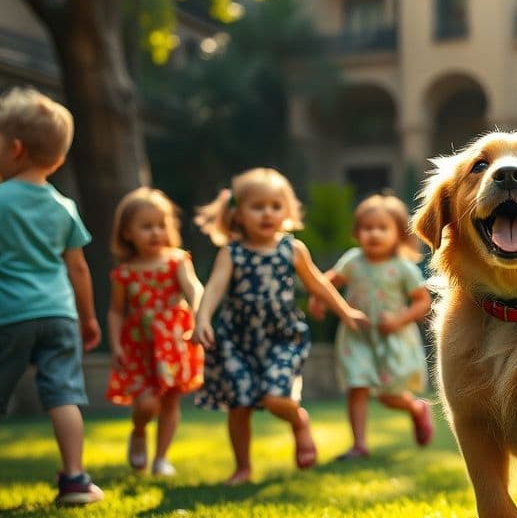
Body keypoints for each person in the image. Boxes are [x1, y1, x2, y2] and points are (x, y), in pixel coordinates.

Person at [192, 168, 369, 484]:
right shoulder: (231, 252)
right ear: (238, 213)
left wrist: (344, 311)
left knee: (276, 398)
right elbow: (214, 287)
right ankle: (243, 468)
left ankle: (298, 421)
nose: (267, 213)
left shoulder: (292, 249)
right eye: (257, 207)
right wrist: (202, 318)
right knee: (239, 405)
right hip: (237, 340)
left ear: (287, 210)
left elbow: (318, 285)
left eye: (275, 206)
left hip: (282, 338)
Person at [0, 87, 103, 505]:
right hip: (60, 315)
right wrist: (89, 317)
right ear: (58, 160)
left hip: (9, 315)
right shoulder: (64, 206)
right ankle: (75, 480)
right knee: (63, 395)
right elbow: (78, 268)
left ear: (16, 148)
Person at [311, 193, 433, 460]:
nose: (374, 234)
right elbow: (328, 280)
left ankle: (415, 409)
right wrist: (318, 298)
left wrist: (399, 320)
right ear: (357, 232)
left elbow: (422, 302)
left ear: (399, 234)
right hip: (357, 336)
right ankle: (359, 444)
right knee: (357, 385)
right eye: (367, 228)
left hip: (392, 339)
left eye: (382, 228)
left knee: (389, 396)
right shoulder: (353, 261)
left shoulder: (403, 268)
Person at [105, 187, 204, 477]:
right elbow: (116, 311)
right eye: (146, 227)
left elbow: (193, 287)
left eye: (162, 225)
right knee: (147, 404)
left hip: (173, 344)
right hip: (139, 346)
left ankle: (161, 458)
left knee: (170, 401)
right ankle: (138, 429)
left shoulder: (177, 260)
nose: (155, 233)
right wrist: (116, 346)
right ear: (127, 233)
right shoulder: (124, 272)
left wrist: (198, 308)